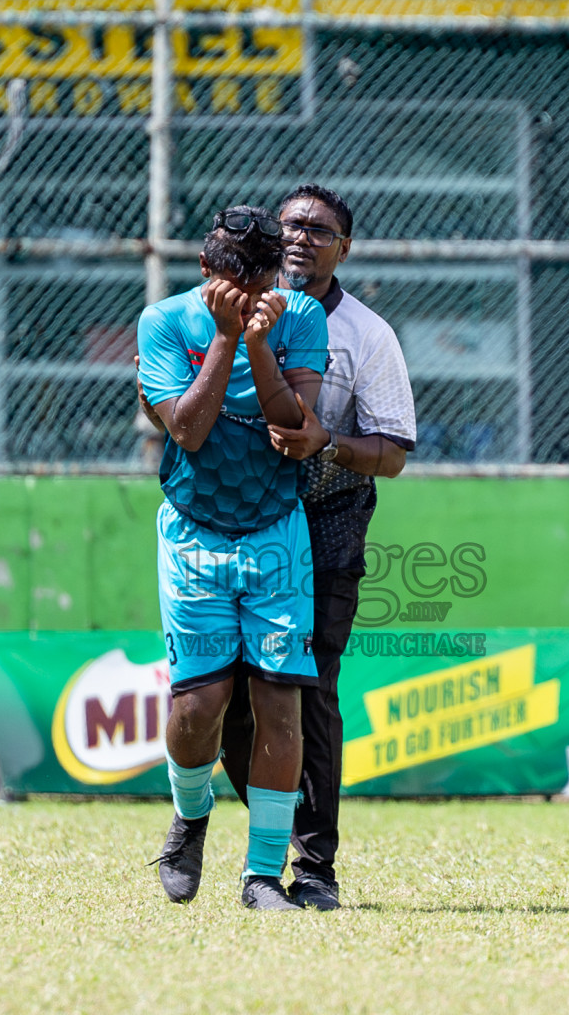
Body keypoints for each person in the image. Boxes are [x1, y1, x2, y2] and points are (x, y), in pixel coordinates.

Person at [218, 184, 417, 912]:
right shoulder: (233, 307)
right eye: (292, 224)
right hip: (239, 518)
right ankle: (272, 825)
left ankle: (314, 865)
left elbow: (393, 451)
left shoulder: (368, 335)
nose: (302, 237)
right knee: (228, 695)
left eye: (321, 230)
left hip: (328, 520)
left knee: (309, 693)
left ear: (344, 248)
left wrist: (325, 442)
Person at [136, 205, 328, 911]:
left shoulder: (300, 317)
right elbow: (185, 430)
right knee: (200, 704)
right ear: (206, 269)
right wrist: (224, 338)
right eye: (232, 279)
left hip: (277, 531)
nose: (247, 293)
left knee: (280, 705)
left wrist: (257, 344)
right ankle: (190, 818)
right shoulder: (164, 322)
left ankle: (260, 876)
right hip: (194, 533)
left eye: (260, 278)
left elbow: (296, 429)